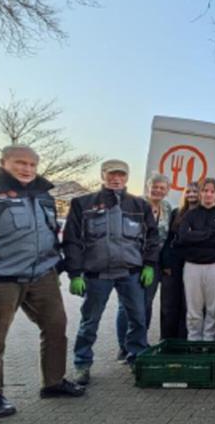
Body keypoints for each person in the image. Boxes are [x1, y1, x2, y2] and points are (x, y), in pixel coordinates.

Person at [0, 145, 84, 417]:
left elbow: (50, 234)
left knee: (56, 327)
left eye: (32, 165)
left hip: (42, 275)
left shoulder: (43, 196)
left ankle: (54, 383)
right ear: (3, 163)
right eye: (20, 163)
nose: (27, 169)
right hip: (0, 279)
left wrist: (58, 267)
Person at [64, 159, 159, 385]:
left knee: (138, 319)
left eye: (121, 175)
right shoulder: (83, 204)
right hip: (97, 274)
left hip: (131, 273)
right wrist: (75, 273)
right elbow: (72, 240)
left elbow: (152, 237)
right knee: (90, 322)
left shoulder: (139, 205)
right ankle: (82, 363)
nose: (116, 179)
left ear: (127, 177)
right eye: (111, 174)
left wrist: (149, 264)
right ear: (103, 175)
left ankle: (136, 357)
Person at [115, 173, 171, 360]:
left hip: (154, 264)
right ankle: (123, 346)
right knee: (126, 305)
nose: (158, 191)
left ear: (167, 191)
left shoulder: (167, 208)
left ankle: (139, 342)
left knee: (146, 304)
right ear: (148, 187)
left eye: (162, 188)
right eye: (155, 187)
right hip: (132, 262)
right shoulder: (134, 204)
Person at [178, 178, 215, 342]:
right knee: (193, 310)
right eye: (205, 190)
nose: (208, 194)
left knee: (213, 308)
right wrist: (211, 233)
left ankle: (210, 340)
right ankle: (194, 341)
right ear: (200, 193)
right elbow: (183, 237)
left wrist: (196, 236)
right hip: (193, 265)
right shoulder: (190, 214)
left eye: (212, 191)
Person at [159, 182, 200, 340]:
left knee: (187, 303)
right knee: (169, 303)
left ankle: (183, 339)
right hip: (173, 262)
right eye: (188, 191)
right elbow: (168, 238)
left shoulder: (204, 213)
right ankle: (167, 339)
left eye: (195, 191)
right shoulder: (176, 212)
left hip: (193, 263)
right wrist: (166, 263)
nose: (191, 194)